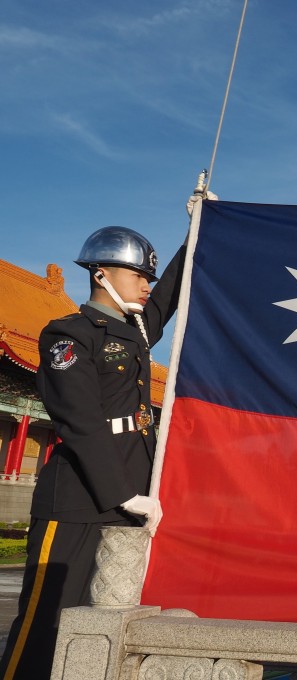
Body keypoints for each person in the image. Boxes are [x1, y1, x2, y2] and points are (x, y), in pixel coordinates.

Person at [0, 224, 187, 680]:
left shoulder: (135, 334)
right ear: (101, 274)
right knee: (49, 620)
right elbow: (79, 419)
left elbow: (169, 296)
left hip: (131, 505)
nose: (147, 285)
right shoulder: (68, 334)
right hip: (79, 502)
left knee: (106, 621)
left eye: (150, 277)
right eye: (137, 275)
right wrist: (121, 492)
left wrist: (197, 230)